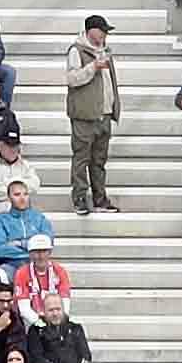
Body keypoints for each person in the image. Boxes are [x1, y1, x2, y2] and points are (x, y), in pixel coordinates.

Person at [62, 17, 122, 217]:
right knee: (81, 158)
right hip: (84, 115)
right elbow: (72, 79)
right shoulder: (76, 51)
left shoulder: (105, 50)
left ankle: (100, 198)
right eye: (102, 31)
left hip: (103, 114)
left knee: (99, 160)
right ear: (90, 31)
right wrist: (93, 67)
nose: (105, 35)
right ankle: (79, 198)